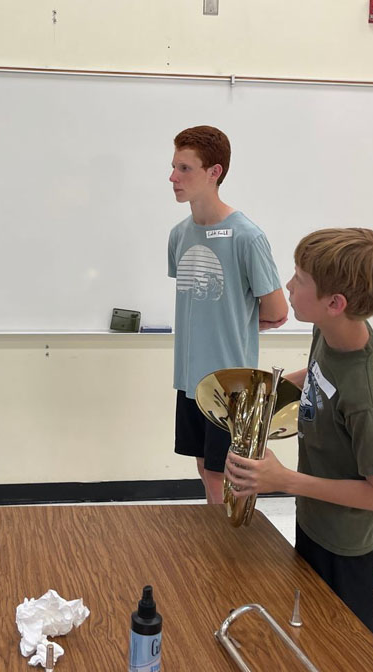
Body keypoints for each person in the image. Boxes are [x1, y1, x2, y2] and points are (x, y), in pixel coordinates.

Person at [225, 228, 373, 634]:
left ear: (335, 302)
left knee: (345, 647)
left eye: (299, 279)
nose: (288, 287)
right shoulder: (329, 333)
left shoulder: (366, 394)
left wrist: (284, 480)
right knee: (308, 626)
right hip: (315, 518)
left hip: (346, 544)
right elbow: (316, 377)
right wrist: (265, 393)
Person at [167, 125, 288, 505]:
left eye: (185, 169)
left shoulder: (247, 236)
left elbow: (277, 311)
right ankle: (214, 543)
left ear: (213, 172)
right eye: (173, 167)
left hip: (229, 382)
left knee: (225, 473)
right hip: (189, 375)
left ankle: (227, 553)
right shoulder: (179, 235)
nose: (173, 178)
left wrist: (235, 326)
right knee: (206, 467)